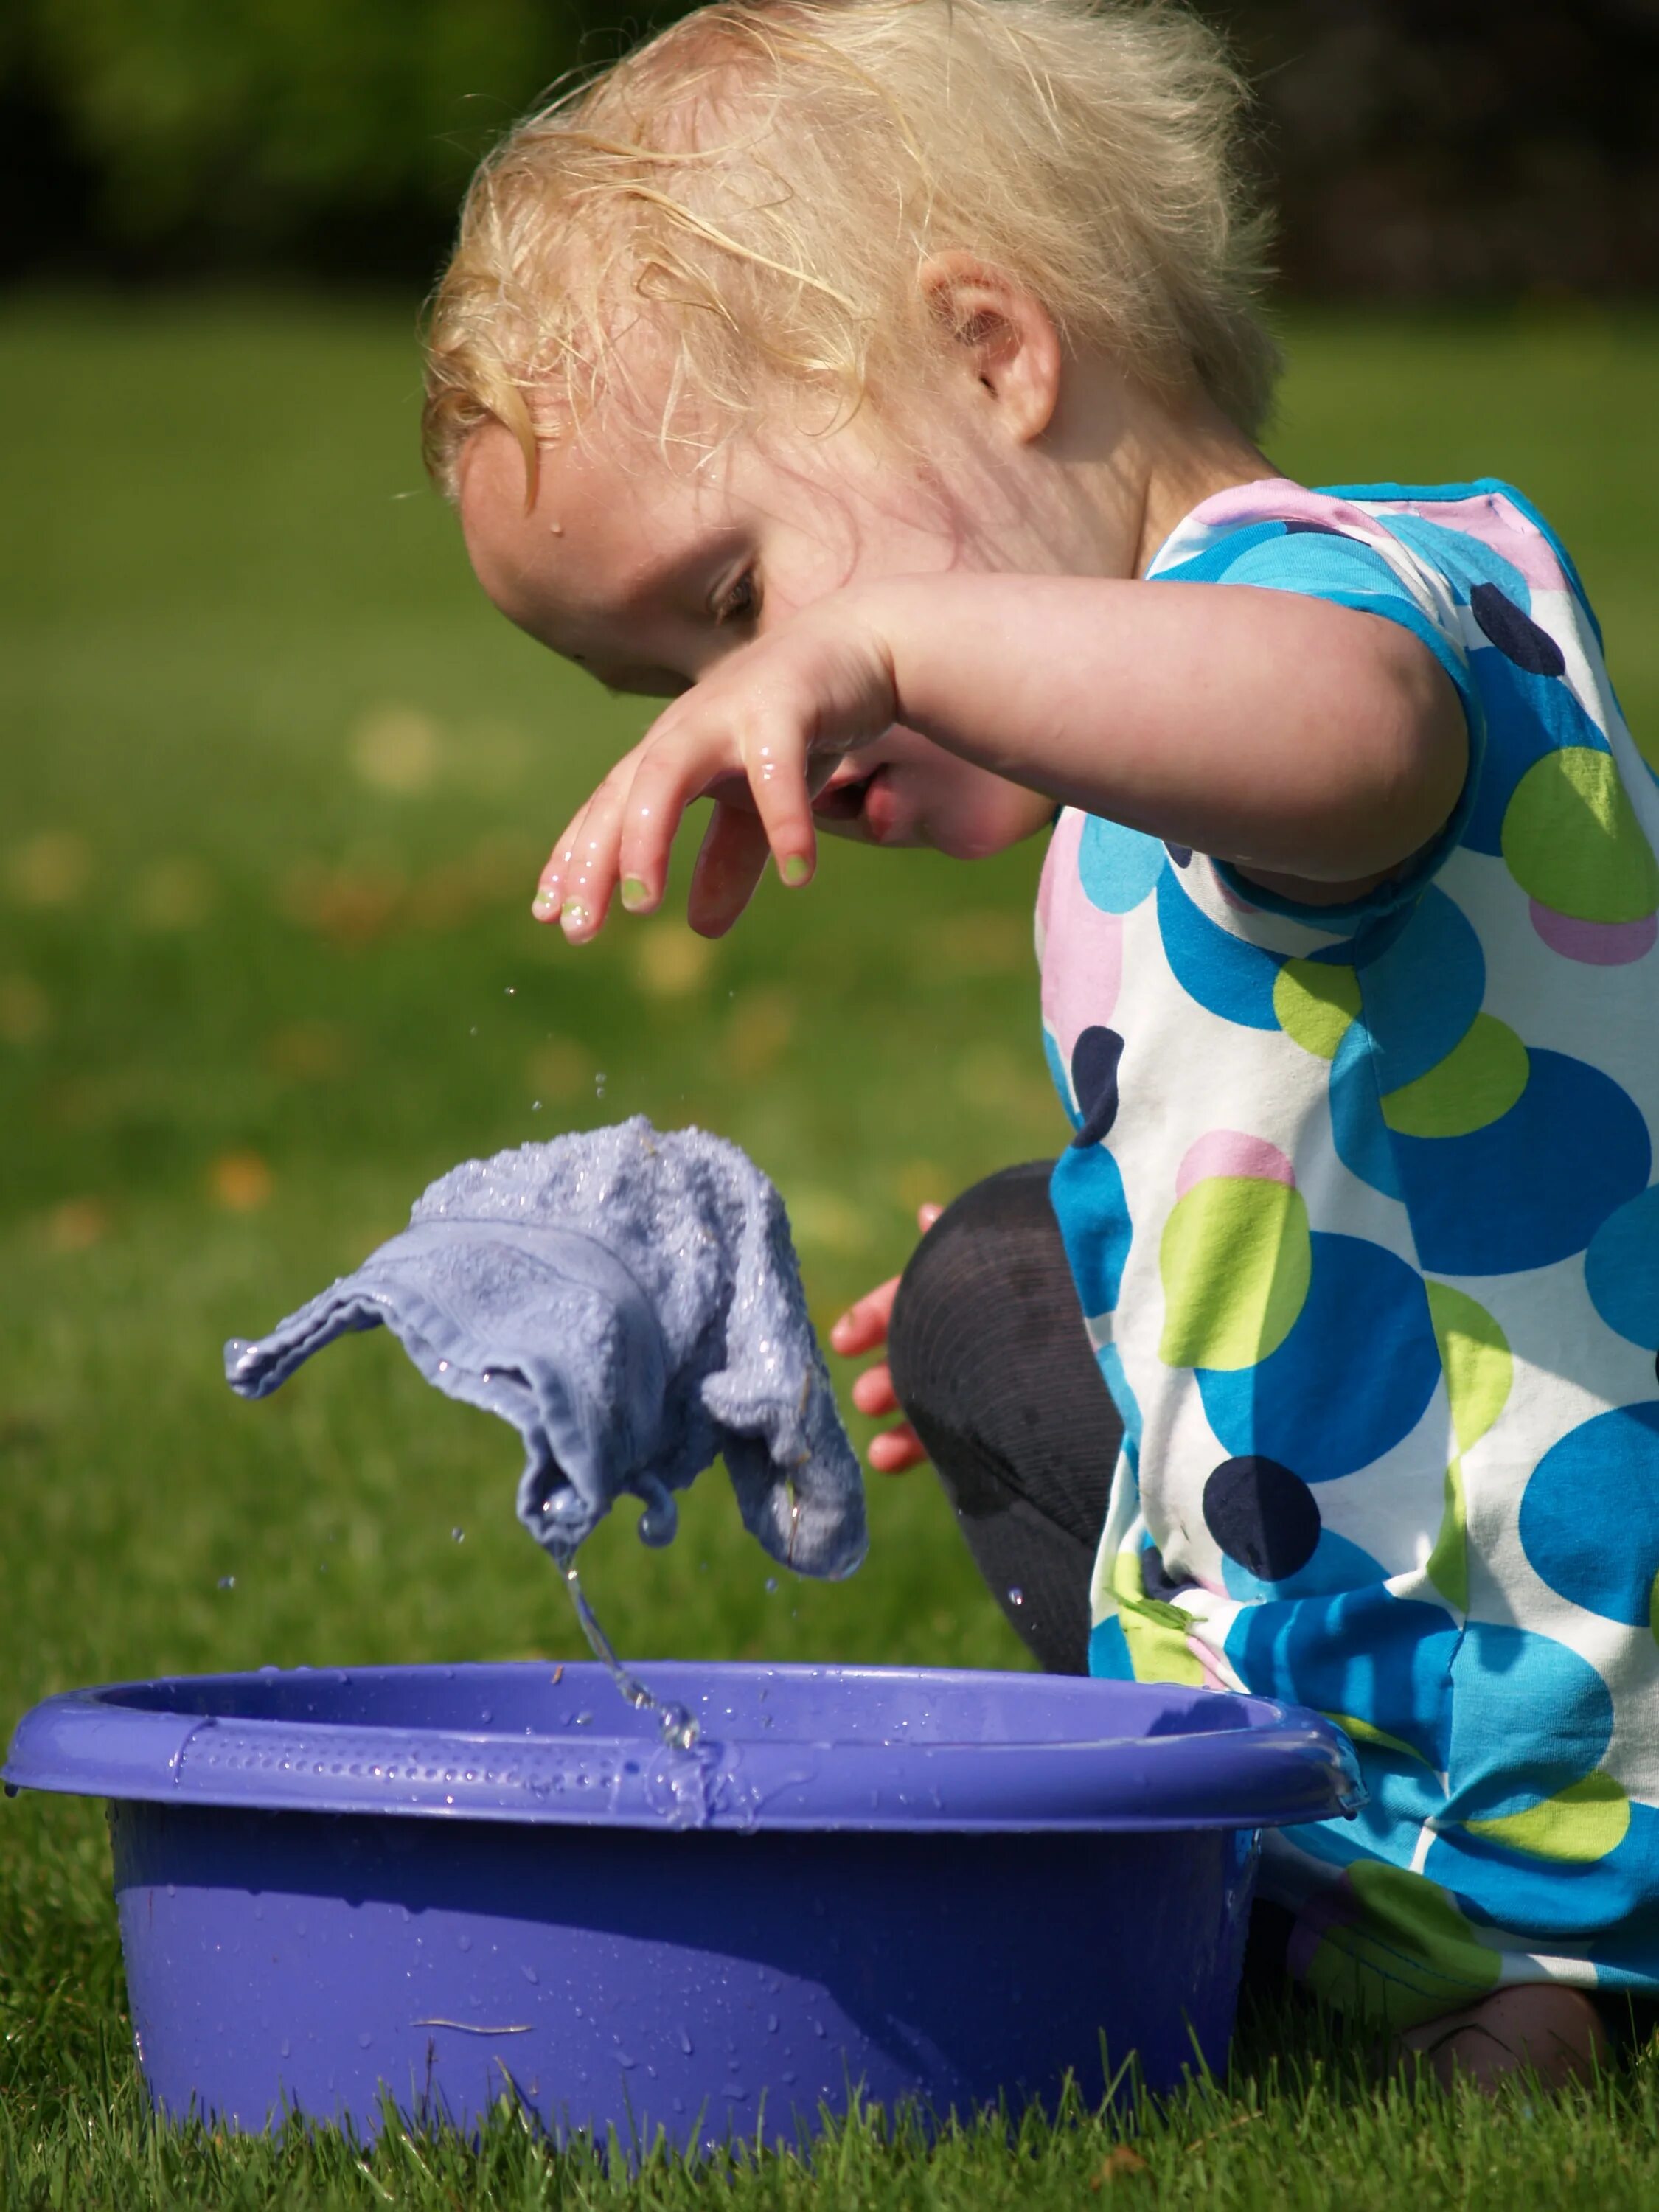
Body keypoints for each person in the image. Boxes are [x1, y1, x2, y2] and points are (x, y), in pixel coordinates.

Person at [421, 0, 1659, 2089]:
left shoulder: (1341, 605)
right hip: (1370, 1532)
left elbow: (1353, 740)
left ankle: (1510, 1974)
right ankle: (1349, 1932)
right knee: (1000, 1278)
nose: (750, 702)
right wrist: (1110, 1267)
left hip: (1552, 1626)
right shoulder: (1155, 736)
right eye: (663, 676)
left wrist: (882, 644)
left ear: (999, 353)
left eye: (735, 600)